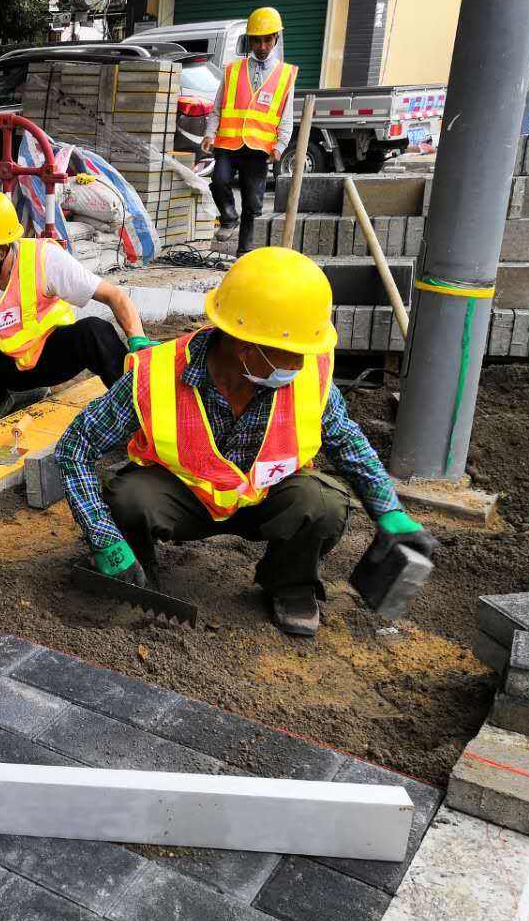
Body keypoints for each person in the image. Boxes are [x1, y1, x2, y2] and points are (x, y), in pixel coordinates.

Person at [53, 246, 437, 637]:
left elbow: (349, 445)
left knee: (323, 502)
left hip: (268, 502)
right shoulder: (157, 375)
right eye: (292, 354)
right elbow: (74, 448)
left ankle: (289, 585)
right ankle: (132, 571)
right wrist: (104, 538)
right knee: (128, 497)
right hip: (182, 502)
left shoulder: (307, 379)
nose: (302, 366)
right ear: (244, 346)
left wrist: (388, 510)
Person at [0, 189, 150, 419]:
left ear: (1, 251)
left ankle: (134, 409)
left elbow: (114, 296)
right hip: (0, 368)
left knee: (95, 331)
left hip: (48, 362)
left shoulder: (44, 260)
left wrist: (137, 339)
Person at [202, 7, 297, 256]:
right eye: (257, 40)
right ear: (250, 41)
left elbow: (286, 115)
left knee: (253, 205)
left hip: (258, 149)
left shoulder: (285, 75)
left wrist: (280, 146)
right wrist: (210, 133)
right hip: (228, 144)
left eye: (267, 39)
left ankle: (244, 252)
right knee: (219, 180)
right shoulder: (232, 70)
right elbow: (218, 107)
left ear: (276, 38)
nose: (262, 46)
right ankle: (228, 216)